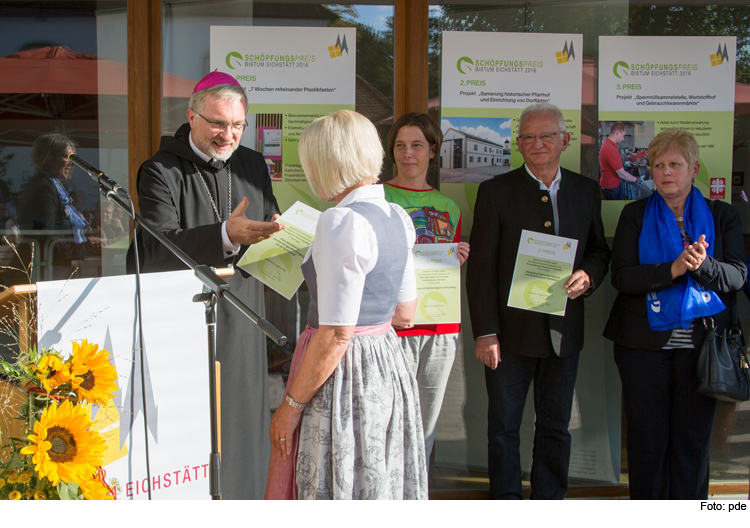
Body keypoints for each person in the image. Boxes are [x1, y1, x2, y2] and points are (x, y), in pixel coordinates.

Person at [131, 71, 284, 499]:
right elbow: (157, 247)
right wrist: (225, 236)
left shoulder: (252, 163)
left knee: (241, 423)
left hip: (243, 313)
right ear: (192, 117)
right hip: (187, 319)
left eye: (237, 125)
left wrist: (279, 234)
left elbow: (263, 223)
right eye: (218, 123)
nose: (227, 135)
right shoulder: (160, 170)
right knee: (197, 426)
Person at [265, 110, 427, 500]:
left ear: (326, 163)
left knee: (336, 477)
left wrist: (290, 406)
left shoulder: (341, 221)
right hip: (386, 363)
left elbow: (337, 334)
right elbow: (405, 313)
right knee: (375, 477)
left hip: (344, 370)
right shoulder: (397, 215)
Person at [466, 103, 610, 499]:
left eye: (547, 135)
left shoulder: (585, 191)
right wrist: (485, 332)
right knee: (503, 428)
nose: (537, 143)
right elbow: (479, 270)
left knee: (555, 428)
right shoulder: (495, 192)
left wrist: (590, 275)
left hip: (563, 334)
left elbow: (599, 251)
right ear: (518, 144)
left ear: (564, 140)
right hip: (508, 338)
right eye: (528, 137)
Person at [603, 128, 746, 499]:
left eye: (675, 164)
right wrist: (672, 269)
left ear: (693, 168)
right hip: (643, 349)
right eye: (659, 165)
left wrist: (703, 265)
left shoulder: (723, 215)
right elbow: (622, 276)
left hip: (703, 351)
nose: (666, 172)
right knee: (647, 446)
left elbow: (737, 276)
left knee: (692, 445)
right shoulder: (634, 215)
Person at [383, 112, 469, 464]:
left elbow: (444, 269)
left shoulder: (449, 207)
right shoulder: (378, 197)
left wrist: (457, 258)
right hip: (391, 328)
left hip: (439, 326)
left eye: (417, 145)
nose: (408, 154)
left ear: (432, 151)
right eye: (400, 145)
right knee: (389, 424)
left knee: (424, 428)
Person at [18, 133, 102, 278]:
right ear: (49, 158)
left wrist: (89, 238)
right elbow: (47, 241)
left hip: (53, 273)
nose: (73, 164)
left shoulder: (55, 190)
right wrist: (87, 245)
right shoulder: (43, 190)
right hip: (44, 277)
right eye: (69, 157)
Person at [599, 122, 637, 200]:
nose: (623, 139)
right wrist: (636, 179)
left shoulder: (607, 145)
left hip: (607, 185)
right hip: (612, 188)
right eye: (623, 136)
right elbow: (621, 174)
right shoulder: (610, 149)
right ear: (617, 133)